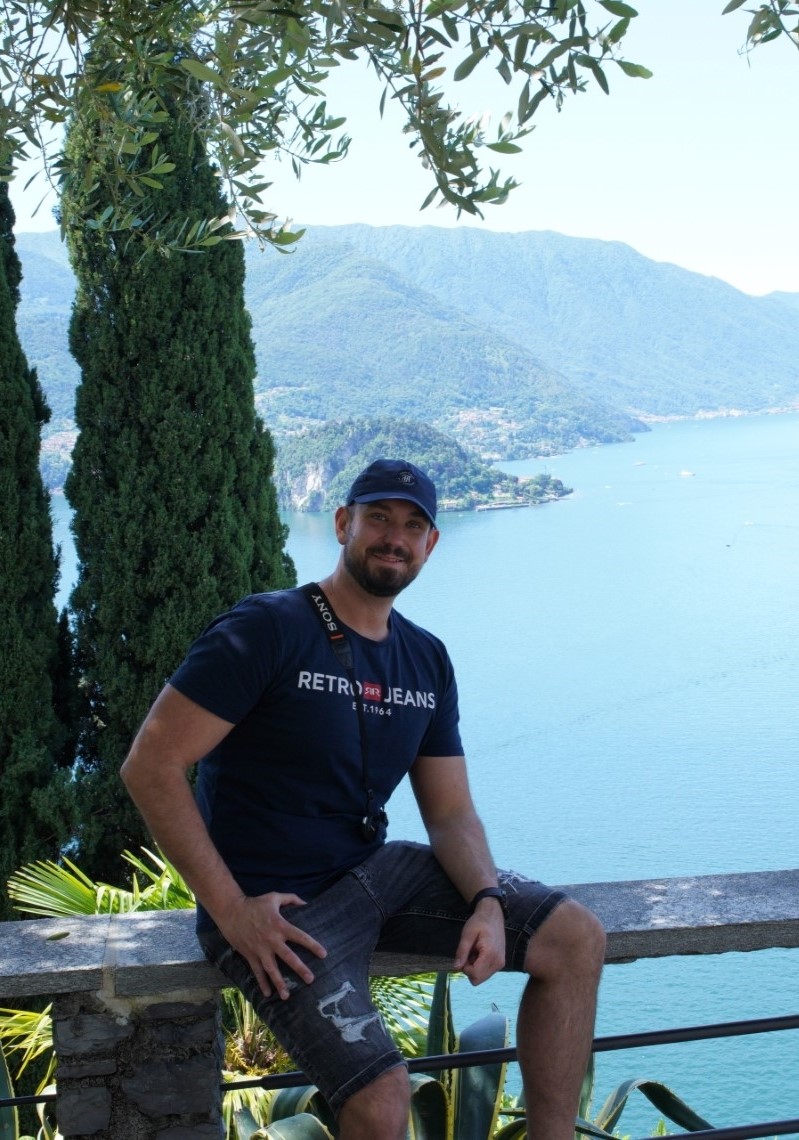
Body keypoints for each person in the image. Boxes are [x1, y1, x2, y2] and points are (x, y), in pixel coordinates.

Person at [121, 458, 605, 1140]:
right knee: (380, 1098)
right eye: (378, 517)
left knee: (574, 937)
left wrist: (487, 902)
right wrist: (230, 912)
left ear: (430, 544)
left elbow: (450, 812)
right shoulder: (267, 628)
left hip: (377, 874)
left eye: (412, 526)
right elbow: (151, 766)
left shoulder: (425, 659)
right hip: (279, 909)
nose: (393, 538)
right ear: (343, 523)